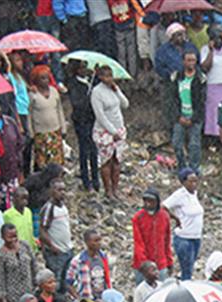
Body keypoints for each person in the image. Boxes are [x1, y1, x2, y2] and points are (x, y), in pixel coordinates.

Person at [90, 65, 129, 200]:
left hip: (119, 128)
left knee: (117, 160)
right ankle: (108, 190)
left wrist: (117, 89)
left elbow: (125, 104)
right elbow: (100, 115)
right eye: (106, 76)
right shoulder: (97, 92)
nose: (109, 79)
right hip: (104, 131)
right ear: (100, 77)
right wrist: (112, 131)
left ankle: (115, 188)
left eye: (110, 76)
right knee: (106, 161)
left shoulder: (113, 89)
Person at [167, 50, 205, 175]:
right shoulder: (176, 76)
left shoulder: (200, 78)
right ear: (183, 61)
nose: (191, 63)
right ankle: (182, 167)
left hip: (195, 116)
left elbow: (202, 101)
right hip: (180, 115)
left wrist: (193, 119)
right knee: (177, 143)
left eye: (193, 60)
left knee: (194, 145)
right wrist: (178, 116)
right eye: (188, 60)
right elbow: (172, 99)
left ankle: (194, 169)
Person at [162, 170, 204, 280]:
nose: (194, 184)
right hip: (184, 238)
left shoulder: (194, 194)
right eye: (191, 181)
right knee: (187, 270)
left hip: (196, 237)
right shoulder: (179, 195)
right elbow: (163, 207)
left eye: (196, 181)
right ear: (184, 182)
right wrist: (175, 218)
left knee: (190, 268)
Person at [66, 59, 100, 192]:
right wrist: (88, 97)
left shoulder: (90, 81)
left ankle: (96, 180)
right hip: (81, 121)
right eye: (81, 68)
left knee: (94, 150)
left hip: (92, 119)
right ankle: (86, 180)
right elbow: (77, 103)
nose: (84, 70)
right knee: (84, 150)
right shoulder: (74, 84)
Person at [28, 66, 66, 168]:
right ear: (36, 80)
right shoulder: (33, 94)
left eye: (47, 77)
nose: (46, 80)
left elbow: (59, 110)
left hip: (55, 131)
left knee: (56, 162)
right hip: (40, 133)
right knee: (42, 163)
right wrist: (31, 132)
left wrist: (63, 128)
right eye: (42, 78)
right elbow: (29, 114)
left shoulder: (54, 91)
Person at [132, 189, 173, 281]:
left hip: (160, 262)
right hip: (143, 265)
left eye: (151, 201)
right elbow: (138, 242)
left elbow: (167, 241)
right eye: (145, 201)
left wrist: (169, 261)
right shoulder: (138, 217)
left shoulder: (164, 216)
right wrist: (144, 263)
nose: (148, 204)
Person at [39, 181, 73, 286]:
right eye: (59, 190)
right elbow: (42, 230)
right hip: (56, 252)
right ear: (52, 191)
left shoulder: (63, 207)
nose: (62, 193)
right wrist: (51, 246)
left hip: (67, 249)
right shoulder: (49, 208)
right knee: (55, 282)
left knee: (66, 281)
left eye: (64, 190)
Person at [65, 228, 111, 301]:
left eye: (99, 240)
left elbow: (107, 278)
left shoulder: (103, 257)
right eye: (96, 241)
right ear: (87, 242)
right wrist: (78, 299)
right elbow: (68, 283)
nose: (99, 243)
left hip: (103, 299)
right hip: (88, 300)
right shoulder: (78, 260)